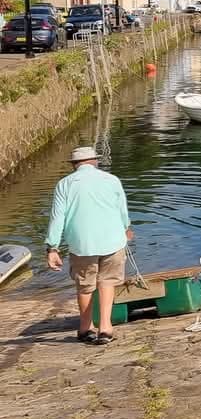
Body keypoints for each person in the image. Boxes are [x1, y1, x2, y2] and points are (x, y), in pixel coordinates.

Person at [45, 147, 133, 345]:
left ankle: (86, 328)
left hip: (81, 243)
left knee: (85, 285)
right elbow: (122, 210)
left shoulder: (64, 184)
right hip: (112, 239)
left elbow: (57, 217)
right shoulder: (112, 180)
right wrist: (126, 229)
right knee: (107, 282)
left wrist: (53, 247)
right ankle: (105, 328)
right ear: (95, 161)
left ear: (74, 165)